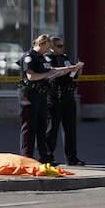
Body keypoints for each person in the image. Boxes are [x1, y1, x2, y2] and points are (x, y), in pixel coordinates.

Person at [17, 34, 78, 164]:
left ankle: (44, 158)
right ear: (41, 44)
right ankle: (27, 158)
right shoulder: (29, 57)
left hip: (42, 95)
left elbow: (52, 70)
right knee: (29, 128)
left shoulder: (42, 58)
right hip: (29, 95)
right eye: (47, 47)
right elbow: (31, 76)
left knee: (42, 127)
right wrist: (48, 74)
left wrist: (68, 69)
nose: (48, 50)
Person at [46, 36, 86, 166]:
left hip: (68, 95)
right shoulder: (48, 59)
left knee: (70, 128)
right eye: (59, 46)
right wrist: (70, 69)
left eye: (62, 45)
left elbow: (72, 76)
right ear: (51, 47)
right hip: (55, 96)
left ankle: (71, 157)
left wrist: (78, 69)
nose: (61, 48)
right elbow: (52, 74)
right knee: (53, 128)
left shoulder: (65, 58)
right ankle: (48, 156)